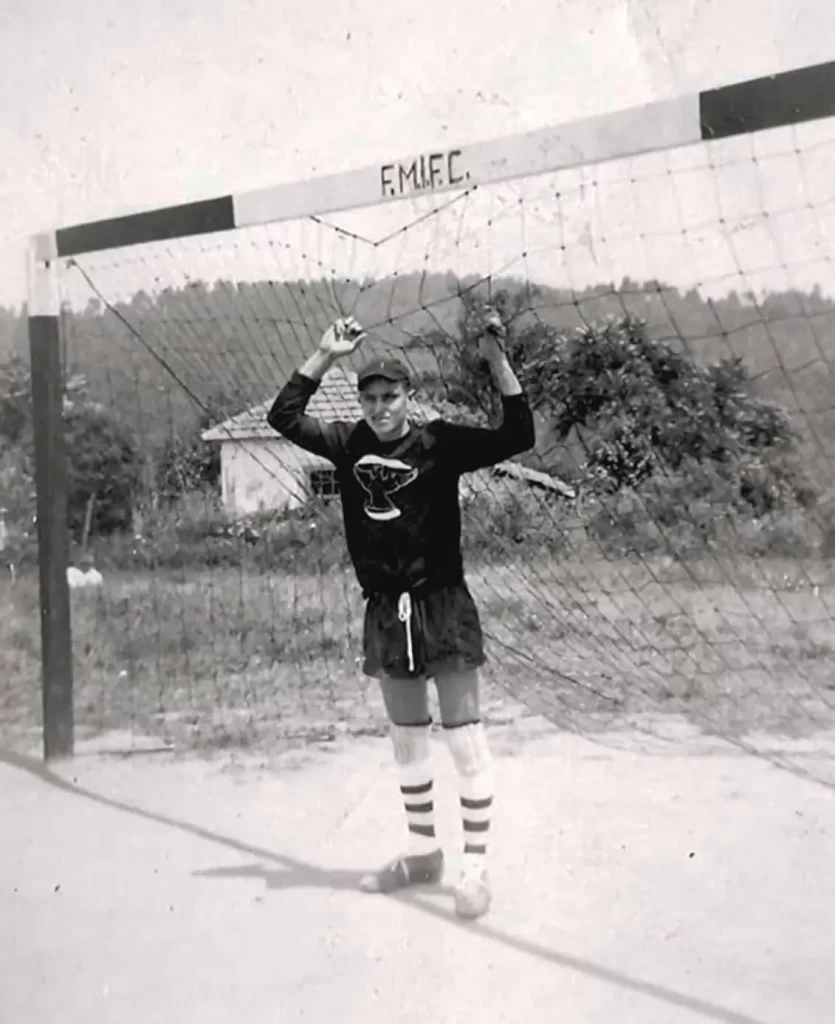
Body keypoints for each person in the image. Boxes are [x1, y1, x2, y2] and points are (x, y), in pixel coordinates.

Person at [267, 311, 535, 919]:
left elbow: (518, 435)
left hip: (442, 604)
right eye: (370, 398)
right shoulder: (347, 444)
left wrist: (497, 362)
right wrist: (324, 354)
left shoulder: (439, 442)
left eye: (390, 397)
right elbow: (282, 417)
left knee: (464, 738)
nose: (380, 408)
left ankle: (474, 869)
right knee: (407, 737)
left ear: (408, 397)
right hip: (386, 608)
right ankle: (422, 855)